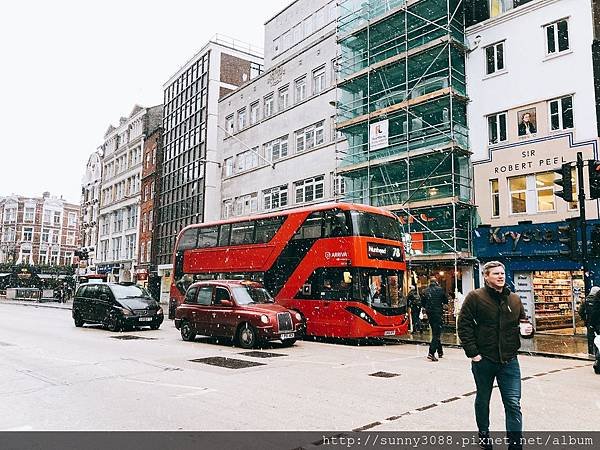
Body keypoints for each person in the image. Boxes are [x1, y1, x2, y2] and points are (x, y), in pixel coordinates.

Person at [458, 261, 533, 450]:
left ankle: (515, 445)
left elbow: (523, 323)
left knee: (513, 404)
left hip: (509, 360)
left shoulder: (514, 299)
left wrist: (528, 330)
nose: (501, 276)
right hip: (485, 360)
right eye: (496, 274)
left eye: (502, 273)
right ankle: (484, 434)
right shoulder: (475, 297)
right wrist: (474, 353)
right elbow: (464, 325)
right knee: (483, 399)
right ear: (486, 276)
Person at [422, 276, 448, 361]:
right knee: (437, 333)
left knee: (435, 332)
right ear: (436, 282)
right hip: (438, 313)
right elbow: (445, 301)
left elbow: (423, 303)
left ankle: (440, 351)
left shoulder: (425, 291)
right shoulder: (440, 290)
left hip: (430, 314)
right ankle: (431, 353)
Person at [578, 286, 600, 357]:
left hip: (589, 322)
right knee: (598, 338)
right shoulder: (597, 300)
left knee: (591, 337)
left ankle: (591, 352)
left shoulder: (585, 300)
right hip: (597, 322)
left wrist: (585, 319)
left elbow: (580, 311)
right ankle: (597, 353)